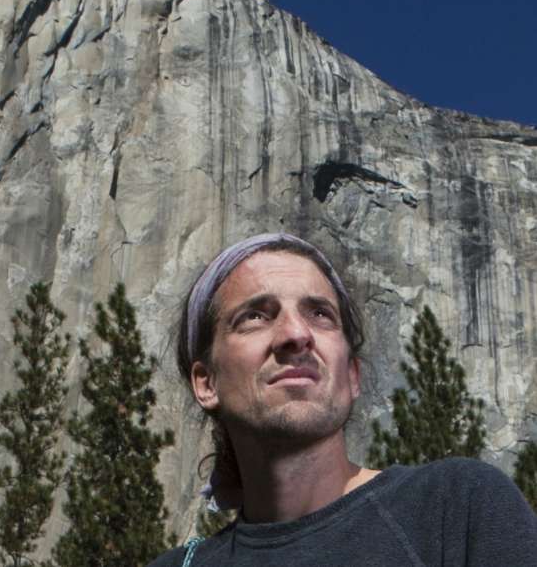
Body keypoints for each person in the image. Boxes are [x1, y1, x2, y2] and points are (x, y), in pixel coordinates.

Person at [147, 232, 537, 566]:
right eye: (255, 316)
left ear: (352, 375)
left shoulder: (455, 507)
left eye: (320, 314)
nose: (295, 334)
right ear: (206, 383)